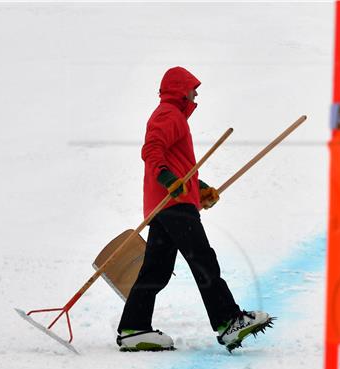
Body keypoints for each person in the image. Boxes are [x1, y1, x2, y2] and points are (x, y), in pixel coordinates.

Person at [116, 66, 271, 352]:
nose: (196, 94)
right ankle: (228, 321)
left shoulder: (172, 116)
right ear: (179, 89)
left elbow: (180, 168)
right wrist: (168, 180)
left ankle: (134, 329)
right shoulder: (169, 114)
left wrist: (199, 191)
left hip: (167, 205)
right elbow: (151, 149)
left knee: (156, 271)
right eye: (192, 88)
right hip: (172, 204)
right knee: (203, 259)